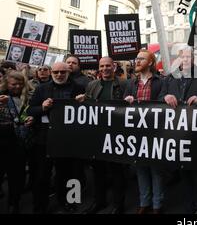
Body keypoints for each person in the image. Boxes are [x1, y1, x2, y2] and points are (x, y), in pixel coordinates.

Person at [160, 46, 197, 213]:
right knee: (184, 175)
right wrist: (165, 97)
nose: (185, 60)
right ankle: (189, 210)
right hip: (177, 133)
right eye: (183, 57)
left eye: (189, 57)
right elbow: (159, 97)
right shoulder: (170, 77)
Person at [27, 62, 85, 213]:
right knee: (42, 175)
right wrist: (42, 108)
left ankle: (71, 201)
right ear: (51, 73)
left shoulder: (79, 88)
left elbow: (90, 113)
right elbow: (30, 110)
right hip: (45, 138)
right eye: (56, 72)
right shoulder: (41, 88)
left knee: (70, 173)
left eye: (62, 72)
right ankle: (40, 206)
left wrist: (84, 103)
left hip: (70, 139)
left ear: (68, 72)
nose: (59, 75)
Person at [77, 57, 127, 214]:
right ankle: (99, 202)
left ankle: (119, 204)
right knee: (98, 171)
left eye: (108, 65)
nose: (105, 68)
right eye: (102, 66)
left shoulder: (125, 84)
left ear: (114, 66)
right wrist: (84, 99)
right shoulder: (92, 85)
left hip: (117, 135)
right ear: (99, 68)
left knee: (117, 171)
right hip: (97, 134)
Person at [123, 49, 164, 214]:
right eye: (136, 59)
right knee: (140, 168)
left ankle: (157, 205)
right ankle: (144, 202)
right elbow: (122, 104)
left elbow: (163, 102)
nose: (137, 61)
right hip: (137, 132)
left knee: (156, 170)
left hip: (155, 132)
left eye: (141, 59)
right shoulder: (131, 83)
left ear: (151, 63)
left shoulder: (161, 82)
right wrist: (127, 101)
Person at [0, 71, 33, 213]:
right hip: (1, 142)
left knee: (17, 177)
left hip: (19, 144)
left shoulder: (28, 97)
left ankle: (14, 203)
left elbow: (33, 112)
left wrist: (32, 118)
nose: (17, 86)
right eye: (14, 84)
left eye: (20, 84)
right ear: (7, 83)